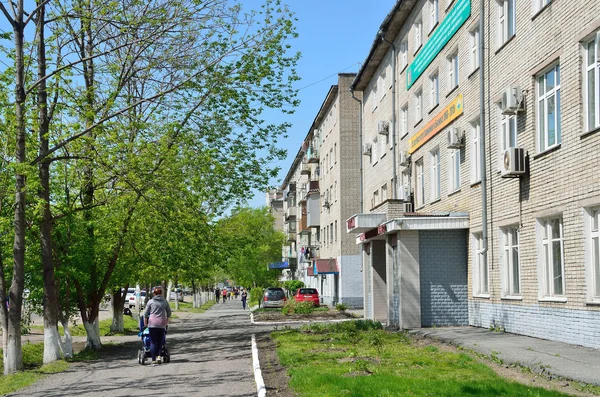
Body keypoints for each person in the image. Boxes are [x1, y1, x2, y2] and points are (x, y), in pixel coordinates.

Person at [143, 286, 171, 366]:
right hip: (162, 323)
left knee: (153, 342)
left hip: (152, 324)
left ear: (154, 293)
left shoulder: (151, 302)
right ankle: (159, 356)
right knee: (160, 341)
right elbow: (169, 312)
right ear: (161, 293)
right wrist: (167, 321)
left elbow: (145, 314)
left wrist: (145, 323)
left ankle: (154, 360)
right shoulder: (165, 301)